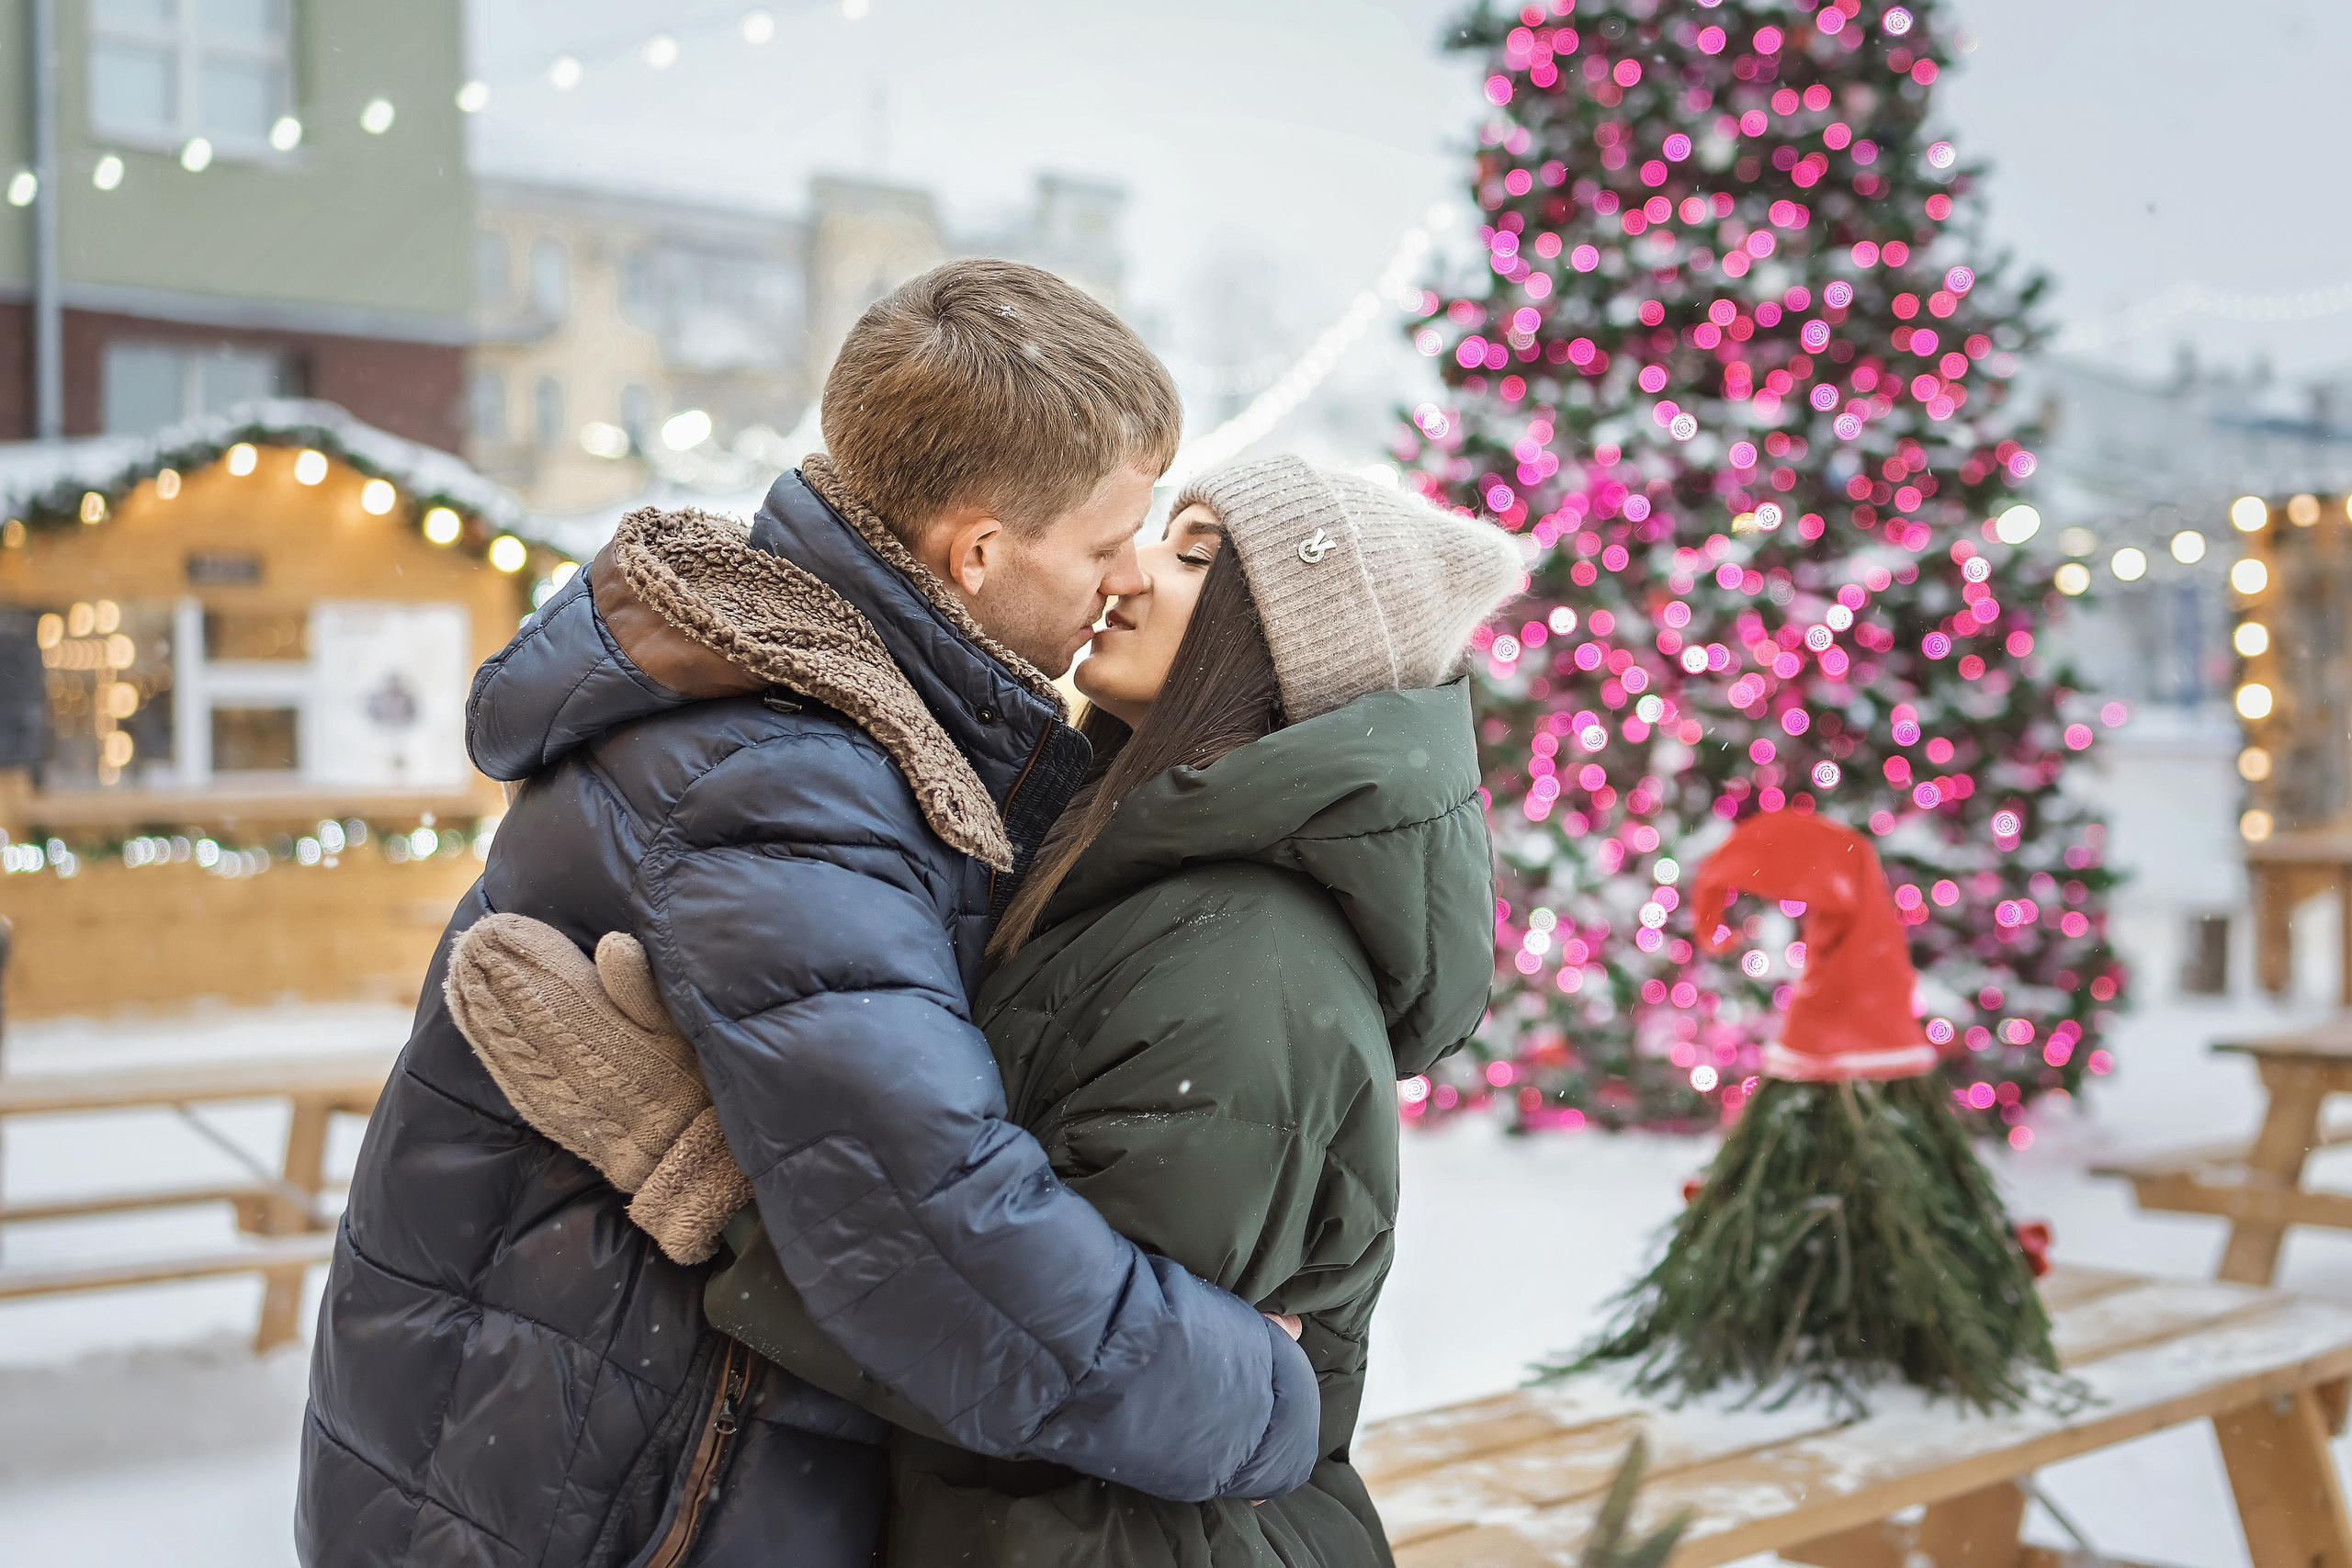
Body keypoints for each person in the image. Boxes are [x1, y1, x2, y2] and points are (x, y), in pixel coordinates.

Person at [296, 261, 1327, 1568]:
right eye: (1108, 536)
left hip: (542, 1435)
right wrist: (1259, 1392)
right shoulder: (790, 780)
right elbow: (935, 1239)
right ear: (981, 549)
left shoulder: (804, 702)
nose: (1126, 575)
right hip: (573, 1488)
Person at [446, 453, 1522, 1565]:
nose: (1132, 573)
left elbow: (1062, 1369)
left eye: (1193, 554)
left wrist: (696, 1164)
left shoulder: (1247, 959)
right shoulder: (1110, 869)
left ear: (1285, 650)